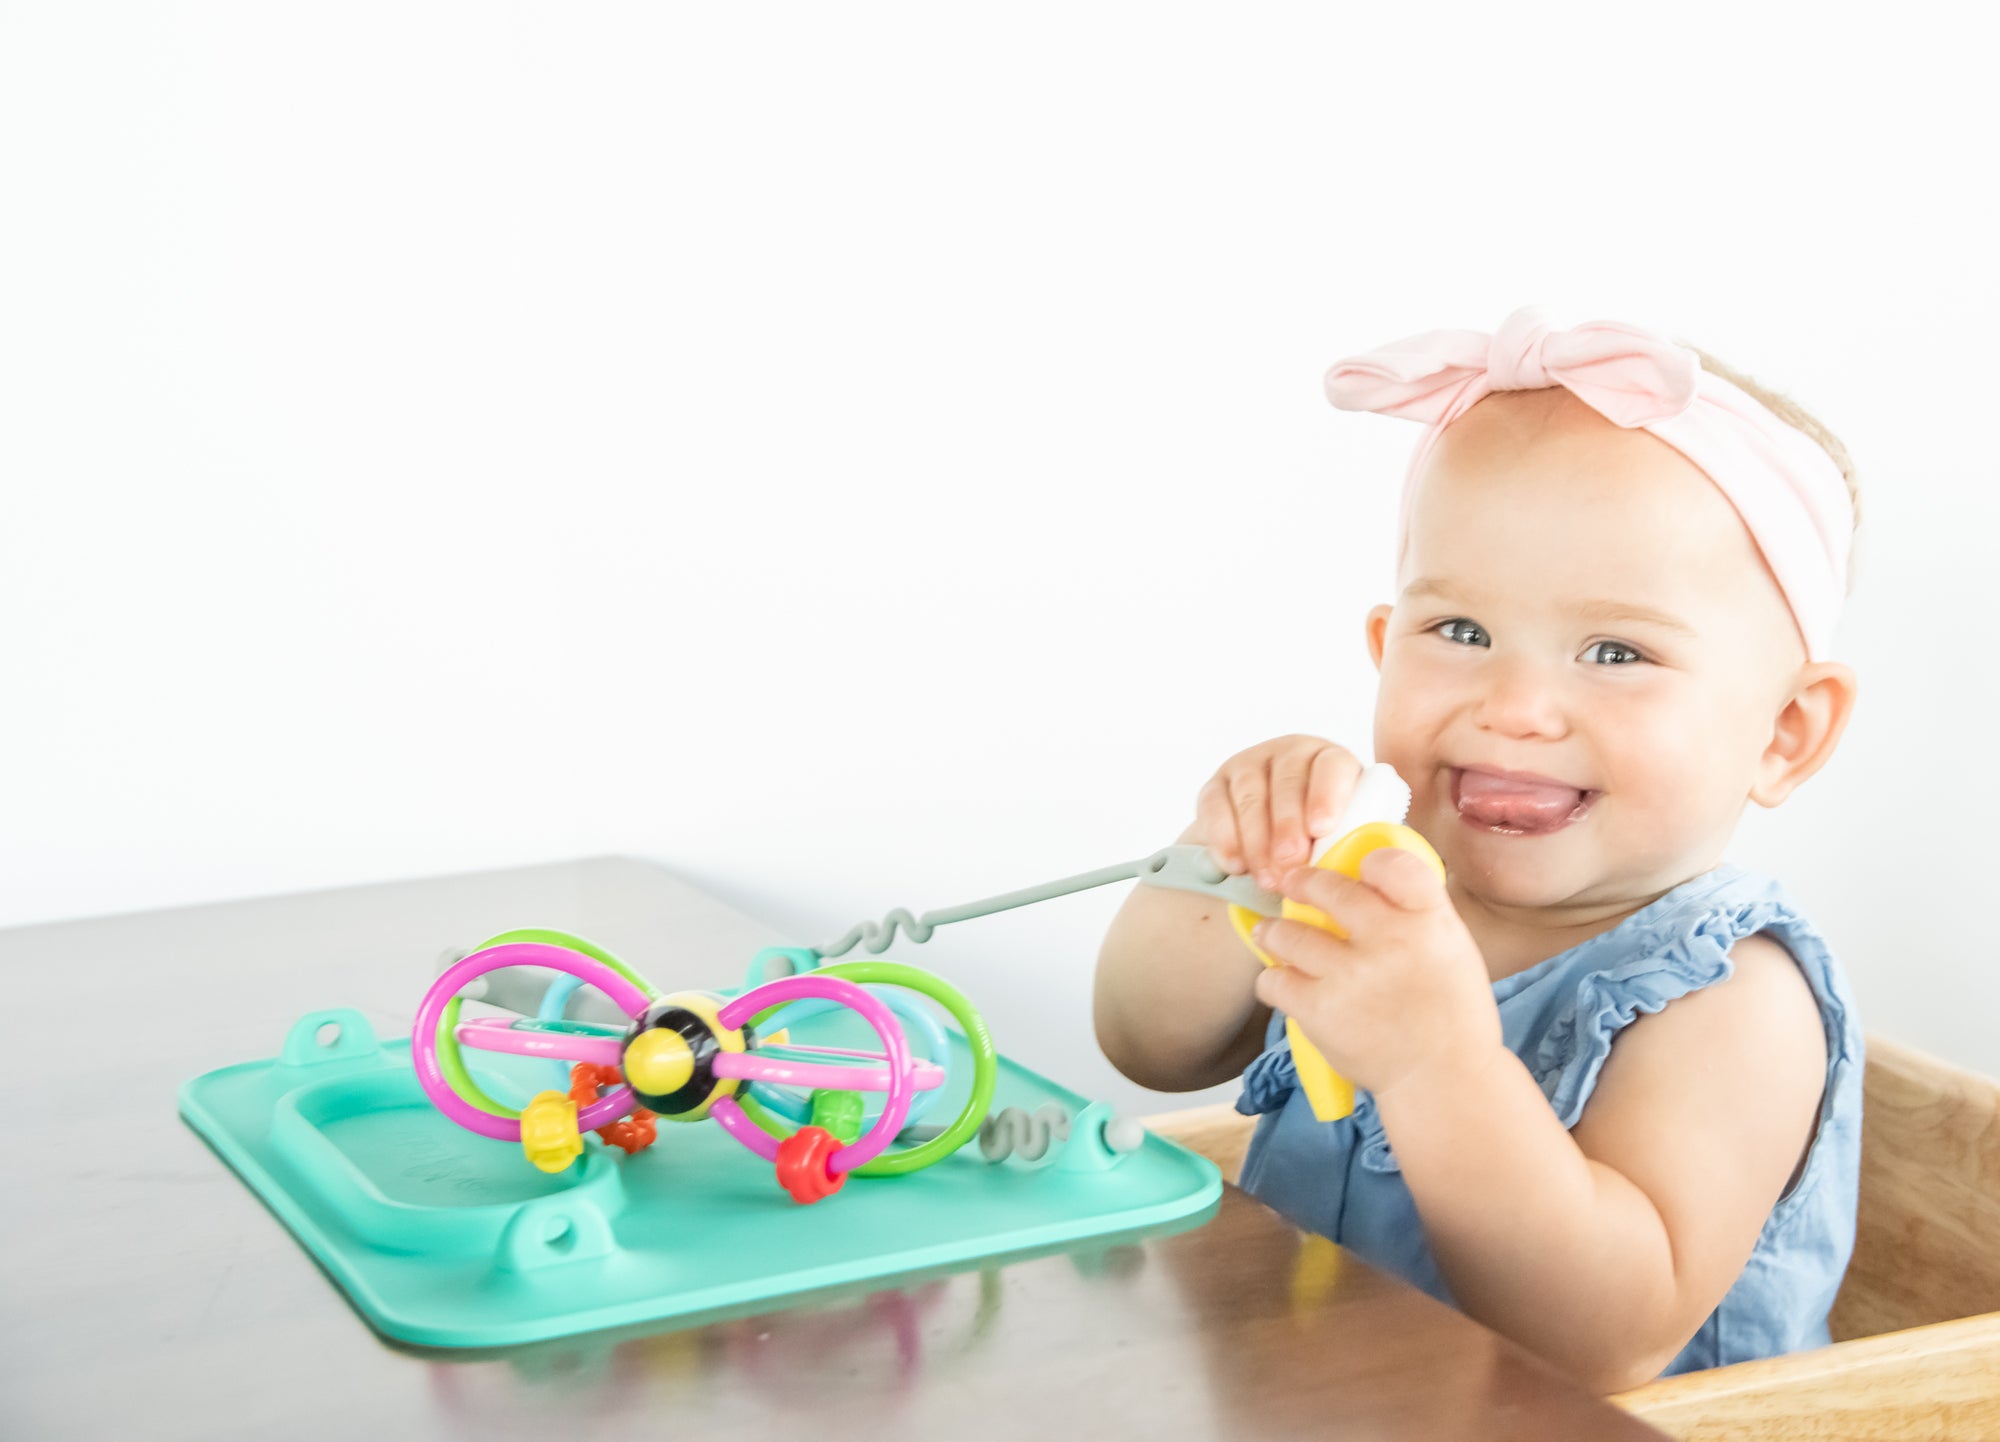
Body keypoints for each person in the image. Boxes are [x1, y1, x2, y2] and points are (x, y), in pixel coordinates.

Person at [1093, 306, 1864, 1393]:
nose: (1513, 706)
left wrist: (1433, 1063)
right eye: (1458, 632)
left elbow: (1603, 1338)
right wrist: (1231, 859)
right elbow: (1148, 1046)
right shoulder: (1375, 875)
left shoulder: (1730, 997)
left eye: (1613, 650)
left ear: (1782, 732)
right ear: (1383, 645)